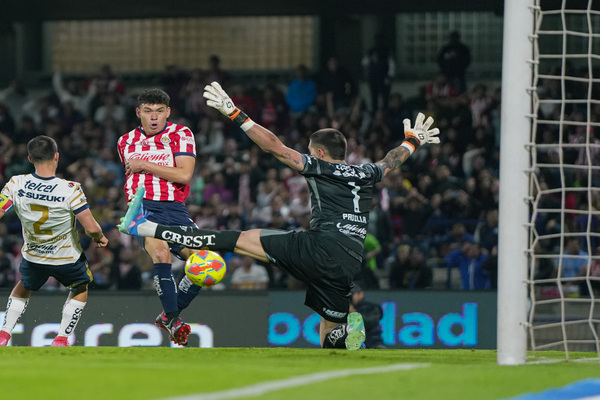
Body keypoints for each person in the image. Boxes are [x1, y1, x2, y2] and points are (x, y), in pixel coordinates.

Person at [119, 82, 440, 351]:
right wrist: (412, 141)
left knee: (239, 239)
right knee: (329, 337)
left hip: (317, 246)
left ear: (318, 152)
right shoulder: (368, 172)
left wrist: (235, 113)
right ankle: (343, 334)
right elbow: (390, 160)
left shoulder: (320, 166)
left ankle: (154, 242)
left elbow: (275, 147)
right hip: (349, 260)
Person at [0, 135, 108, 347]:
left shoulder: (17, 183)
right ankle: (61, 338)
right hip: (66, 256)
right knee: (80, 287)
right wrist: (100, 238)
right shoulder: (70, 189)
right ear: (56, 157)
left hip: (34, 255)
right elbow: (91, 228)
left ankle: (4, 334)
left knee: (23, 287)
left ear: (30, 159)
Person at [116, 88, 199, 346]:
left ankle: (168, 316)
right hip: (143, 208)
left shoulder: (181, 134)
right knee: (161, 254)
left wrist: (145, 164)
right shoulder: (124, 141)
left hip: (174, 208)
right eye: (149, 111)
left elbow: (184, 175)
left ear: (168, 112)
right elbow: (132, 179)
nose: (154, 117)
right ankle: (175, 321)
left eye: (160, 111)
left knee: (206, 262)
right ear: (138, 113)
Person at [349, 284, 385, 349]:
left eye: (352, 294)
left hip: (373, 342)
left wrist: (354, 313)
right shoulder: (344, 309)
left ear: (360, 294)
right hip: (353, 343)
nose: (350, 297)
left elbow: (368, 322)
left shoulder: (372, 307)